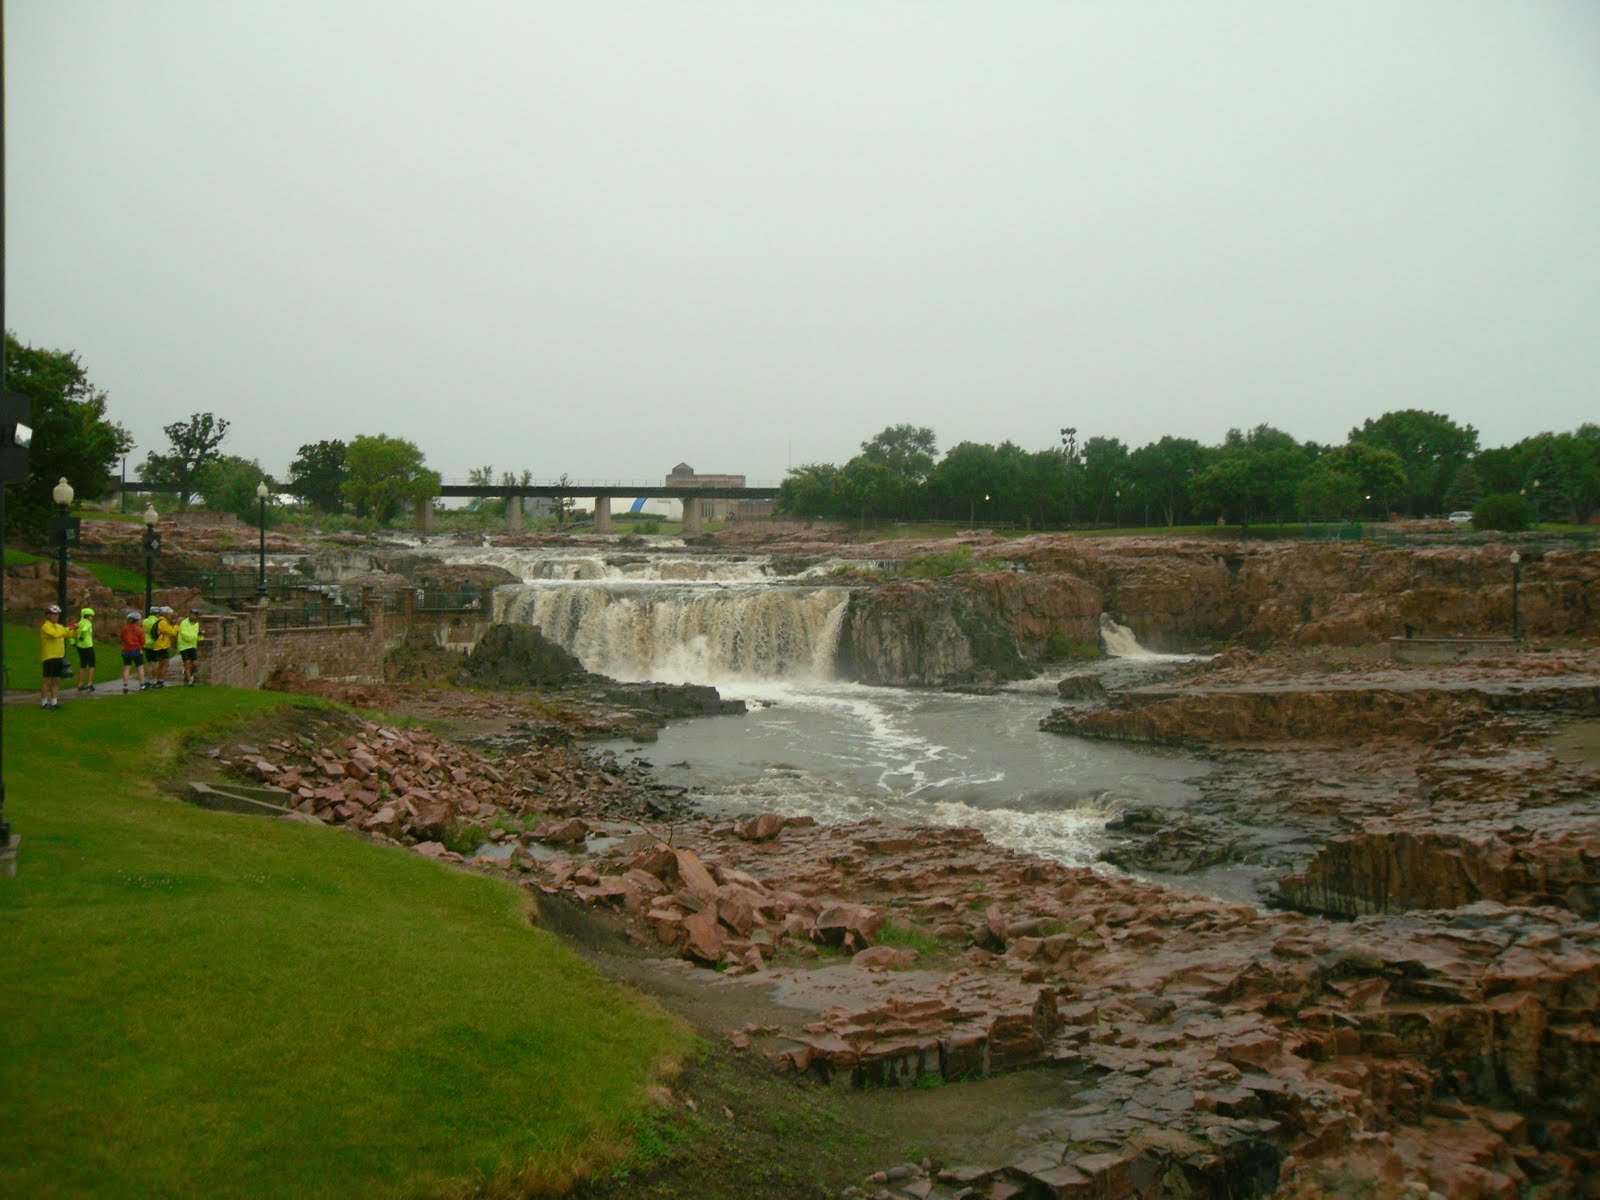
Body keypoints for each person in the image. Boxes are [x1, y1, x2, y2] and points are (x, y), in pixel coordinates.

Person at [39, 604, 72, 709]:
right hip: (49, 656)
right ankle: (44, 702)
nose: (56, 617)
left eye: (57, 615)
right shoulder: (45, 627)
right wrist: (67, 629)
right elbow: (55, 634)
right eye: (54, 615)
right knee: (47, 680)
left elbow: (69, 633)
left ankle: (54, 701)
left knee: (56, 680)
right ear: (48, 616)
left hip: (59, 656)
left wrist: (76, 628)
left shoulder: (59, 627)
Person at [150, 607, 179, 688]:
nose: (171, 616)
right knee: (165, 664)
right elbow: (171, 633)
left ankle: (158, 680)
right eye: (170, 614)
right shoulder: (162, 622)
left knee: (161, 664)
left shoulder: (163, 622)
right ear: (166, 614)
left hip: (161, 645)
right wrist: (176, 626)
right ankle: (160, 681)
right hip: (161, 646)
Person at [120, 610, 147, 693]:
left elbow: (122, 638)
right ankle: (142, 684)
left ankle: (125, 685)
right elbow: (143, 641)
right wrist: (140, 646)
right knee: (140, 668)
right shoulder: (139, 629)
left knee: (126, 668)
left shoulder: (125, 628)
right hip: (136, 650)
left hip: (126, 650)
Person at [176, 607, 204, 686]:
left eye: (195, 615)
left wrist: (200, 635)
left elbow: (198, 637)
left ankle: (187, 674)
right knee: (187, 663)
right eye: (192, 614)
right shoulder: (184, 623)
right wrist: (196, 635)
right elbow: (185, 636)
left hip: (192, 646)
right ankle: (189, 681)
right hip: (184, 646)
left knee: (194, 664)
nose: (193, 616)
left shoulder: (196, 624)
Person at [74, 605, 98, 692]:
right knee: (92, 664)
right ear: (87, 616)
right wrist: (82, 636)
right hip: (88, 646)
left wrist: (74, 641)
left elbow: (73, 630)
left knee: (82, 664)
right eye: (91, 616)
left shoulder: (79, 623)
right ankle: (90, 683)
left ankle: (80, 683)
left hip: (80, 646)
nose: (92, 618)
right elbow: (84, 630)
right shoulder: (88, 623)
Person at [141, 608, 162, 690]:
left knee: (149, 662)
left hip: (146, 643)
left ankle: (148, 679)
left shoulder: (145, 621)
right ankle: (154, 679)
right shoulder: (157, 621)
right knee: (156, 662)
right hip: (155, 643)